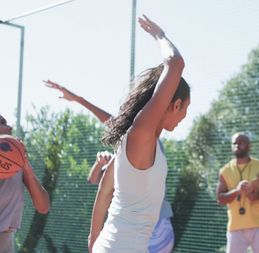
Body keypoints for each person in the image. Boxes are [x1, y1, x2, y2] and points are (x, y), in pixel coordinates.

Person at [89, 14, 187, 252]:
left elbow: (104, 189)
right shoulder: (140, 135)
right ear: (175, 105)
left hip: (112, 245)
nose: (184, 116)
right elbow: (175, 64)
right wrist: (159, 35)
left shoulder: (134, 140)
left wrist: (93, 239)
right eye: (185, 108)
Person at [44, 75, 176, 251]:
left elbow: (113, 123)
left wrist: (79, 100)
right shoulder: (125, 151)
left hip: (154, 232)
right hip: (137, 234)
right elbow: (95, 181)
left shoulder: (145, 139)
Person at [216, 133, 259, 253]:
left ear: (249, 146)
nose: (237, 145)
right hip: (236, 227)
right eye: (234, 143)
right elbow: (220, 199)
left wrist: (257, 196)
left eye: (241, 143)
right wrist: (237, 191)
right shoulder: (225, 171)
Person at [0, 114, 50, 253]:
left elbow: (43, 207)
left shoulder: (17, 161)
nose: (10, 127)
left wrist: (26, 168)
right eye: (3, 123)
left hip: (4, 240)